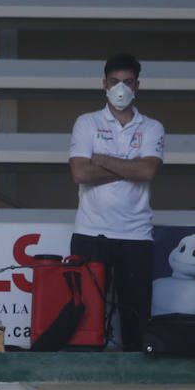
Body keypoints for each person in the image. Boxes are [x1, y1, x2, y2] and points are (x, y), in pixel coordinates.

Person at [68, 52, 165, 352]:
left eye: (127, 82)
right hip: (90, 232)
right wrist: (128, 167)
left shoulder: (152, 127)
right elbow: (80, 173)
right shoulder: (87, 122)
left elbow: (147, 170)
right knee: (85, 320)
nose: (120, 88)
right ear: (104, 84)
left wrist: (105, 160)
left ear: (137, 85)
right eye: (114, 82)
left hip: (135, 234)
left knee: (136, 322)